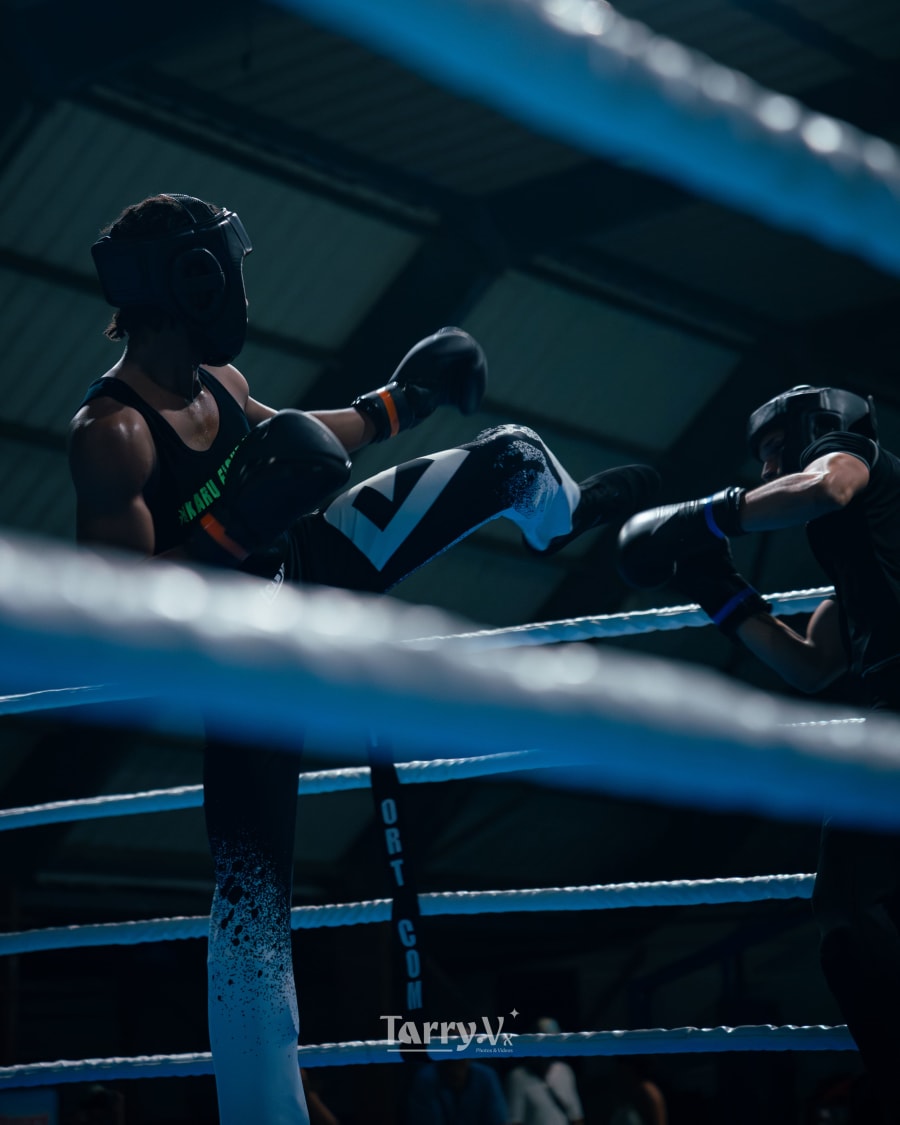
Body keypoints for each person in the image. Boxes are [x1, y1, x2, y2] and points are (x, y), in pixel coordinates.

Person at [67, 193, 661, 1125]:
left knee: (507, 455)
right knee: (250, 909)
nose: (241, 285)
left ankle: (558, 512)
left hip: (305, 565)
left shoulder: (217, 378)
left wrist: (403, 400)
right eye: (227, 264)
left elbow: (293, 437)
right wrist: (233, 528)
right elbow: (119, 620)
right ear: (192, 279)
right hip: (238, 654)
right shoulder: (113, 432)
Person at [616, 384, 900, 1125]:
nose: (768, 466)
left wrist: (702, 516)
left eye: (773, 449)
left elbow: (825, 482)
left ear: (814, 428)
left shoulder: (856, 463)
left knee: (848, 911)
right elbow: (810, 665)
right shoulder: (857, 551)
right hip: (887, 729)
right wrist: (722, 590)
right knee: (848, 919)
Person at [507, 1017, 585, 1125]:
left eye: (552, 1043)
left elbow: (576, 1116)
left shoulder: (564, 1071)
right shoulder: (518, 1077)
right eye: (545, 1043)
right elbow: (515, 1121)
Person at [406, 1058, 507, 1125]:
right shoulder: (426, 1078)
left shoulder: (486, 1076)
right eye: (454, 1041)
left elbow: (496, 1120)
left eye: (465, 1042)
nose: (459, 1048)